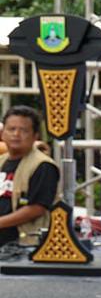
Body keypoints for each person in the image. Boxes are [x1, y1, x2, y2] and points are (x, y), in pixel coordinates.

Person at [0, 105, 59, 253]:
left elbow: (36, 208)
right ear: (3, 134)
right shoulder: (1, 161)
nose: (16, 134)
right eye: (11, 129)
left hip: (26, 246)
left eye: (24, 130)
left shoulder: (43, 165)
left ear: (35, 136)